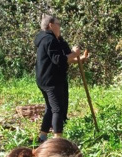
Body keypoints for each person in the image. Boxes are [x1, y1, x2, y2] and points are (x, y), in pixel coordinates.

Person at [34, 15, 87, 143]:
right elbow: (58, 59)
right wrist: (74, 53)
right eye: (58, 24)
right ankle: (58, 141)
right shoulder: (49, 40)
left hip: (46, 79)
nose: (60, 27)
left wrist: (79, 59)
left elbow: (64, 59)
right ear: (51, 25)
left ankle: (42, 136)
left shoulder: (55, 40)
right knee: (57, 109)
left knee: (50, 108)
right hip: (50, 80)